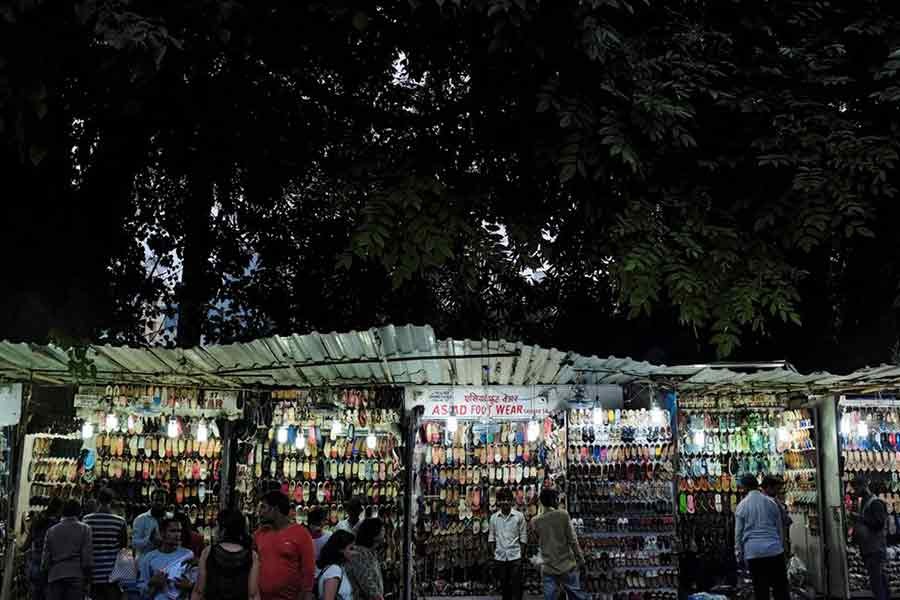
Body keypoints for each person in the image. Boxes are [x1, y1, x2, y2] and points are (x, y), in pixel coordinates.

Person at [734, 474, 789, 600]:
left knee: (761, 590)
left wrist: (738, 554)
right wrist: (782, 547)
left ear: (744, 487)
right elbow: (779, 528)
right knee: (780, 589)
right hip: (774, 550)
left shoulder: (741, 506)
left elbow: (738, 534)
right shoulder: (771, 503)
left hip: (754, 553)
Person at [254, 491, 316, 600]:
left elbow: (308, 572)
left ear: (275, 509)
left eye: (263, 507)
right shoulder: (259, 534)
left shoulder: (301, 534)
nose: (260, 512)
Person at [530, 488, 587, 600]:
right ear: (553, 500)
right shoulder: (563, 515)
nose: (558, 501)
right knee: (576, 596)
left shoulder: (535, 521)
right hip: (566, 565)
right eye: (557, 499)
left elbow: (536, 541)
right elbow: (573, 540)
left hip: (548, 567)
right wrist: (581, 560)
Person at [191, 509, 260, 600]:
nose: (215, 529)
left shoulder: (208, 552)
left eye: (217, 526)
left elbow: (199, 591)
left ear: (223, 529)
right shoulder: (252, 555)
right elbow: (252, 594)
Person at [41, 499, 94, 600]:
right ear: (79, 512)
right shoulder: (85, 529)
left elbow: (45, 561)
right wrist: (88, 579)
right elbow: (87, 558)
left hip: (55, 576)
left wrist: (45, 579)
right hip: (76, 576)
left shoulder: (51, 531)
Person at [83, 488, 129, 600]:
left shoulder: (86, 520)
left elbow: (84, 547)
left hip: (93, 574)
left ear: (97, 501)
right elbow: (123, 549)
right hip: (112, 575)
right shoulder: (120, 521)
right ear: (112, 502)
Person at [849, 475, 889, 600]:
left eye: (856, 488)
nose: (855, 491)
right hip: (869, 547)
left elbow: (879, 523)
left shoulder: (876, 503)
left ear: (863, 487)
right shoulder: (865, 502)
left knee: (877, 582)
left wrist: (860, 519)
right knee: (879, 580)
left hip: (875, 548)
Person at [137, 517, 195, 600]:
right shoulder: (149, 558)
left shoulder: (188, 555)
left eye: (179, 531)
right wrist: (153, 585)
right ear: (162, 533)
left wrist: (189, 586)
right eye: (172, 531)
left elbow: (198, 587)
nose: (177, 535)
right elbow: (142, 594)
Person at [489, 488, 527, 600]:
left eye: (507, 499)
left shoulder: (519, 516)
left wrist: (521, 556)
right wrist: (493, 555)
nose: (505, 502)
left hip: (515, 556)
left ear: (511, 501)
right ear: (498, 501)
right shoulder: (494, 518)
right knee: (504, 587)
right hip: (500, 557)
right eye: (502, 499)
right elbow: (491, 538)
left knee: (517, 587)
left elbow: (523, 538)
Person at [26, 496, 63, 600]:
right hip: (48, 568)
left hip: (35, 566)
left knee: (35, 595)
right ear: (59, 509)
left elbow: (25, 545)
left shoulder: (37, 521)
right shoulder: (57, 525)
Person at [344, 518, 384, 600]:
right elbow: (368, 584)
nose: (384, 531)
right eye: (382, 529)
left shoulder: (371, 552)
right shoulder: (359, 555)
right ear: (374, 533)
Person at [316, 531, 355, 600]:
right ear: (340, 550)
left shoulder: (338, 568)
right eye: (351, 548)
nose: (355, 552)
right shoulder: (334, 570)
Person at [762, 475, 792, 558]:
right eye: (777, 489)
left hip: (776, 544)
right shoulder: (768, 503)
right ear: (768, 487)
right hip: (771, 546)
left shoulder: (775, 501)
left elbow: (787, 521)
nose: (778, 492)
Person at [134, 489, 168, 558]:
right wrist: (148, 540)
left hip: (166, 562)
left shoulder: (171, 518)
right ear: (151, 501)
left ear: (166, 502)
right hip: (146, 562)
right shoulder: (140, 519)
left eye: (161, 500)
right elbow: (134, 543)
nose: (159, 503)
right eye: (156, 500)